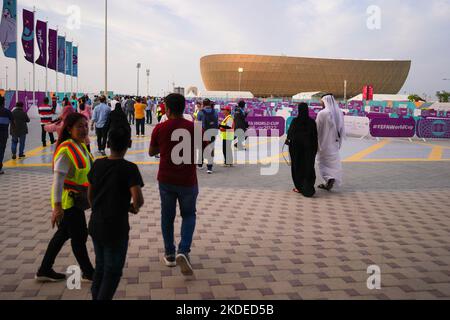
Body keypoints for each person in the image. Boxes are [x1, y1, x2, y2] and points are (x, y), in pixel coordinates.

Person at [36, 113, 95, 282]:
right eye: (79, 126)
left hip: (78, 200)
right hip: (68, 202)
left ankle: (45, 269)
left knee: (63, 234)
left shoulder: (80, 145)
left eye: (85, 125)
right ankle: (88, 272)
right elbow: (57, 181)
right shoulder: (66, 150)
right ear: (69, 129)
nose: (84, 129)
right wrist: (57, 207)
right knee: (79, 237)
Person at [88, 127, 144, 300]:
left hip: (96, 223)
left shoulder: (97, 164)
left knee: (101, 266)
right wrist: (132, 207)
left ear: (107, 143)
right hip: (116, 227)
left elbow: (90, 194)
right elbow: (137, 198)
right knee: (112, 271)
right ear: (129, 144)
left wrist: (98, 207)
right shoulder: (129, 168)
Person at [149, 93, 199, 276]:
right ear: (184, 107)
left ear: (167, 109)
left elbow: (151, 151)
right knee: (189, 214)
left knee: (167, 216)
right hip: (188, 180)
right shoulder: (194, 128)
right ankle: (183, 250)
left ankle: (170, 254)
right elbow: (200, 152)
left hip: (166, 180)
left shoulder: (160, 128)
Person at [286, 103, 318, 198]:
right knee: (308, 167)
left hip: (297, 150)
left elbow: (290, 135)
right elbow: (315, 136)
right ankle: (308, 186)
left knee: (297, 167)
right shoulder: (312, 122)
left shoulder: (295, 121)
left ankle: (299, 187)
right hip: (309, 150)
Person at [316, 93, 345, 191]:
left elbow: (317, 128)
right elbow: (341, 129)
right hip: (334, 144)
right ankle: (330, 179)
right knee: (333, 163)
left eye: (322, 102)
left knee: (322, 162)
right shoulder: (339, 112)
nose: (321, 103)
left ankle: (328, 179)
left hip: (324, 143)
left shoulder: (322, 113)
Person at [197, 99, 219, 174]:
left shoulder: (200, 112)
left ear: (203, 104)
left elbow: (197, 124)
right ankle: (209, 167)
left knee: (201, 148)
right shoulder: (215, 112)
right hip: (212, 132)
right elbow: (216, 122)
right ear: (210, 103)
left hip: (203, 133)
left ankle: (200, 164)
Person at [0, 96, 14, 175]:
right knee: (1, 151)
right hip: (3, 135)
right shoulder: (7, 112)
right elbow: (13, 122)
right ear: (3, 102)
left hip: (3, 135)